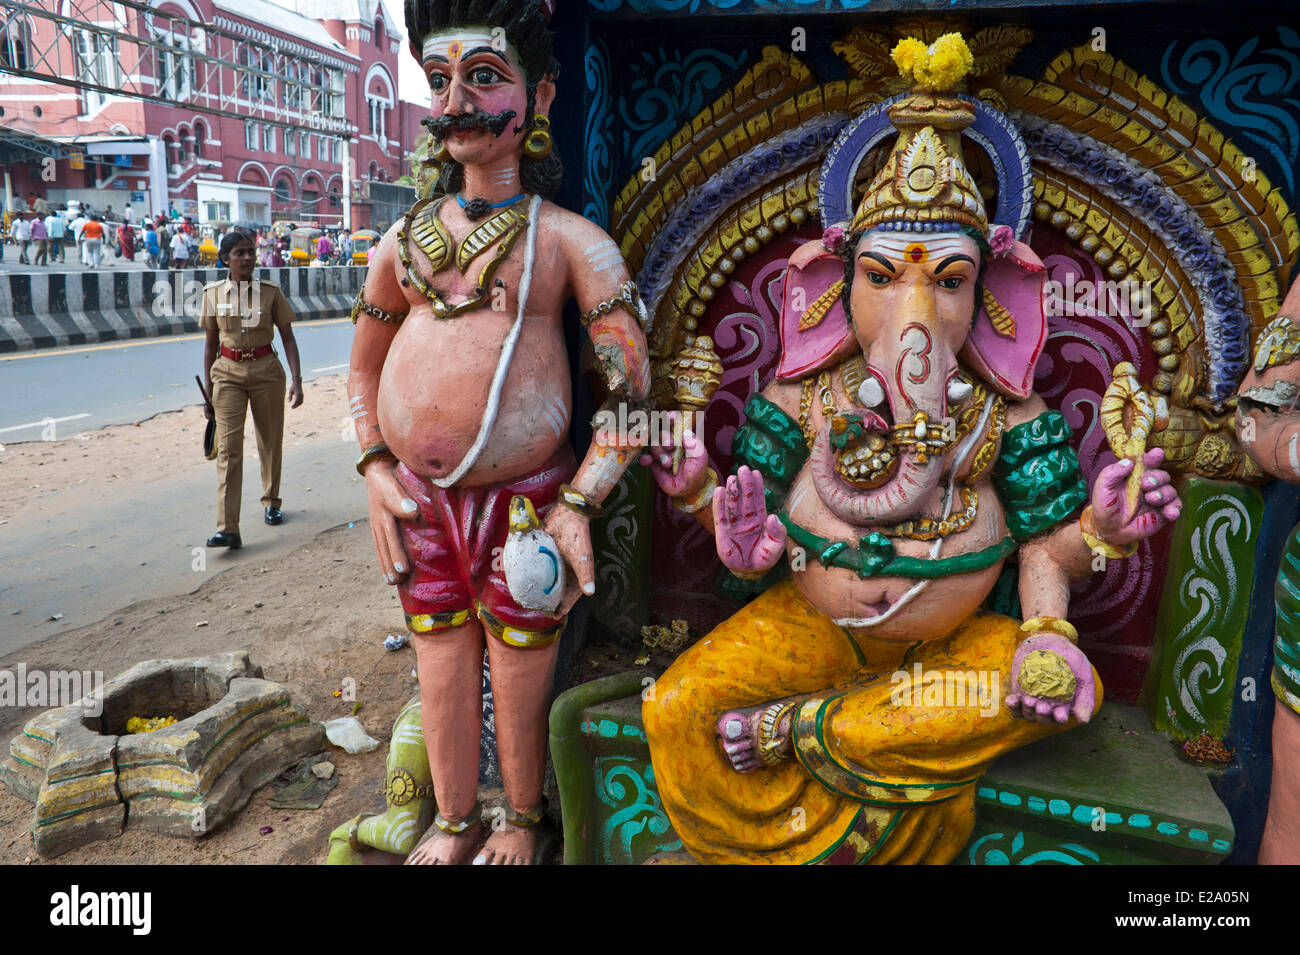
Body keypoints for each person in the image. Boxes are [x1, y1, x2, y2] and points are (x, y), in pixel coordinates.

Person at [348, 0, 652, 866]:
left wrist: (579, 504)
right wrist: (374, 463)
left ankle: (518, 817)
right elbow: (363, 370)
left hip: (529, 503)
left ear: (541, 96)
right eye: (438, 81)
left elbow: (632, 396)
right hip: (419, 500)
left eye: (483, 78)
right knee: (437, 657)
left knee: (520, 663)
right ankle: (452, 820)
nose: (453, 105)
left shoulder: (569, 244)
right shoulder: (400, 245)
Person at [200, 230, 303, 548]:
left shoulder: (271, 293)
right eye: (240, 253)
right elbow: (210, 345)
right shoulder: (212, 294)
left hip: (267, 373)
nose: (247, 258)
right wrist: (208, 391)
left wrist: (297, 379)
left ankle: (271, 502)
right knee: (229, 451)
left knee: (269, 441)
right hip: (228, 374)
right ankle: (228, 527)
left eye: (250, 252)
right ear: (225, 259)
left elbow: (287, 336)